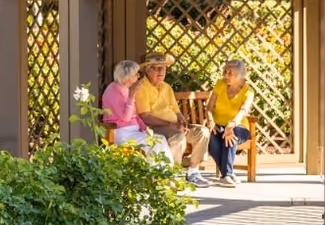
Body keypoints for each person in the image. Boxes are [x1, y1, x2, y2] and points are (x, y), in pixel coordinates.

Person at [134, 53, 210, 187]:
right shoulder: (141, 88)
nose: (160, 72)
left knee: (202, 132)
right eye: (156, 68)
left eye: (162, 68)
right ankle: (172, 175)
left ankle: (193, 173)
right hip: (154, 128)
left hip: (174, 126)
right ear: (147, 70)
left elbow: (176, 110)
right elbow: (145, 116)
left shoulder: (166, 87)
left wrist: (182, 121)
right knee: (178, 137)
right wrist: (172, 125)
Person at [100, 59, 175, 166]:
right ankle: (159, 176)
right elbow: (125, 118)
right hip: (120, 132)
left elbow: (135, 116)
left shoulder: (127, 89)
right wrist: (131, 96)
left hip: (134, 132)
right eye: (136, 74)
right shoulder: (113, 89)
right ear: (127, 75)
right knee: (156, 143)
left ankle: (166, 174)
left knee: (159, 140)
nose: (138, 76)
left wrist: (145, 129)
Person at [207, 59, 254, 187]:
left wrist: (232, 124)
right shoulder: (220, 84)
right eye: (225, 72)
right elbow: (210, 106)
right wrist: (210, 121)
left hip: (239, 126)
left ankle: (226, 174)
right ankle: (228, 174)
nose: (225, 76)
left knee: (231, 135)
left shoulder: (248, 91)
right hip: (218, 124)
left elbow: (243, 111)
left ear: (240, 76)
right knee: (210, 138)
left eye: (230, 73)